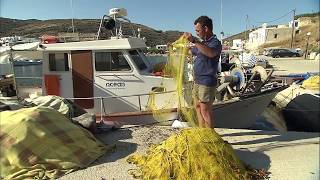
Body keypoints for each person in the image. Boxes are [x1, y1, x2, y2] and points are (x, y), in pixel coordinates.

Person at [183, 16, 222, 128]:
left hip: (207, 81)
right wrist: (177, 47)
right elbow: (192, 51)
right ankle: (202, 132)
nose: (197, 33)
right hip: (197, 80)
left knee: (205, 110)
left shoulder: (215, 43)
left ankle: (210, 136)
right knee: (198, 107)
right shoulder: (202, 43)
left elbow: (210, 53)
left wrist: (194, 40)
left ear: (206, 29)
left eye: (198, 30)